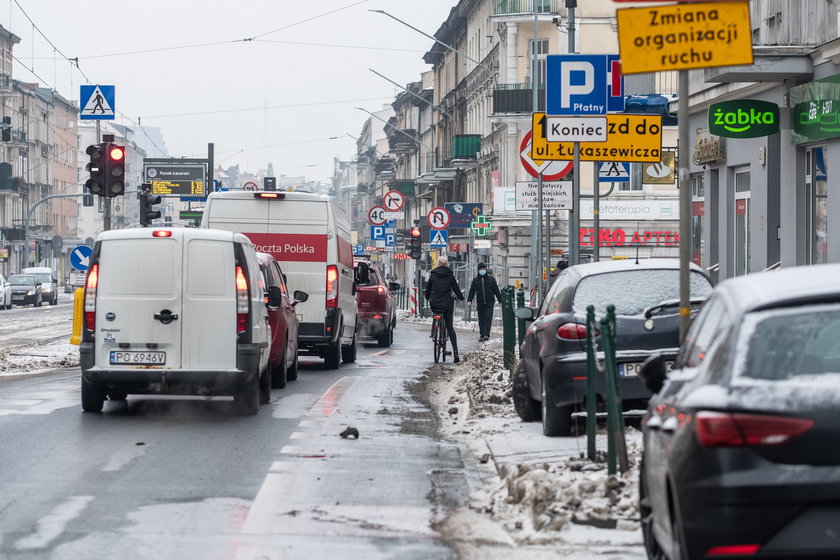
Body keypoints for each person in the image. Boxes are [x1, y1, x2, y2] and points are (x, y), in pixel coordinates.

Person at [424, 256, 465, 363]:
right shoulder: (450, 276)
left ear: (437, 264)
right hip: (447, 304)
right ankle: (456, 353)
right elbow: (456, 289)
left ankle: (434, 331)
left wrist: (428, 297)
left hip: (435, 303)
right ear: (447, 264)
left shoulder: (433, 275)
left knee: (436, 313)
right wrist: (461, 298)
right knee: (450, 327)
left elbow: (428, 290)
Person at [467, 262, 502, 342]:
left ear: (486, 270)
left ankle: (486, 334)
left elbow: (496, 290)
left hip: (489, 302)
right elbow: (472, 290)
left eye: (483, 269)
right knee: (481, 319)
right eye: (480, 269)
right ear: (478, 270)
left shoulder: (491, 279)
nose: (482, 271)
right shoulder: (476, 280)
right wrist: (469, 300)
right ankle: (482, 334)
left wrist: (500, 300)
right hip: (480, 302)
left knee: (488, 318)